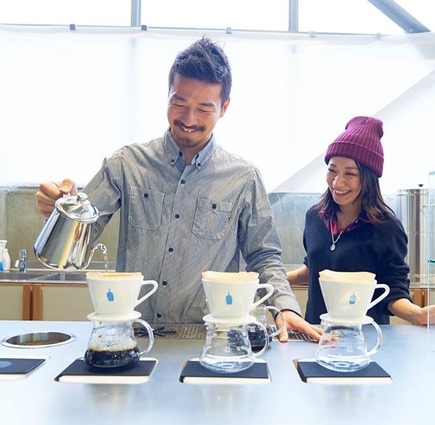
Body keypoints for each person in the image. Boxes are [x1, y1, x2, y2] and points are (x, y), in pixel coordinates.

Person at [36, 37, 321, 341]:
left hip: (210, 339)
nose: (188, 119)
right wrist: (61, 213)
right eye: (179, 103)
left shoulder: (243, 178)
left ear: (224, 107)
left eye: (204, 108)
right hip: (133, 336)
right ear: (168, 96)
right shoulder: (126, 164)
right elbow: (80, 237)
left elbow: (263, 255)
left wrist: (285, 307)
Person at [287, 116, 435, 326]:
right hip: (317, 333)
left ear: (368, 178)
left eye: (350, 173)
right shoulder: (315, 217)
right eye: (332, 170)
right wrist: (272, 280)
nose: (337, 182)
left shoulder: (386, 227)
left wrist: (418, 314)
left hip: (364, 336)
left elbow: (393, 289)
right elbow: (313, 268)